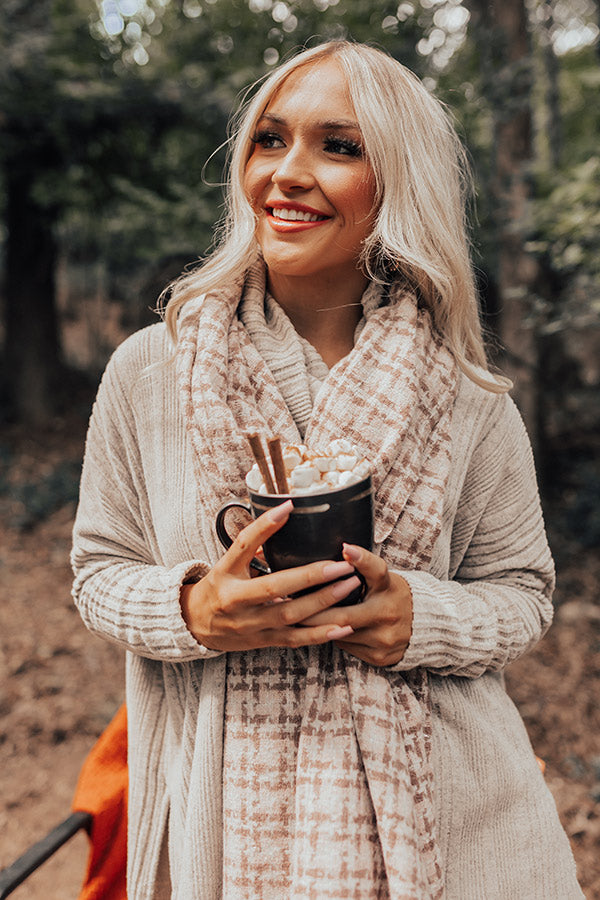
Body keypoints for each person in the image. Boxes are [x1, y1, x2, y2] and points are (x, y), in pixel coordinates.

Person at [71, 40, 583, 899]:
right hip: (220, 821)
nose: (286, 174)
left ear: (398, 180)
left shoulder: (468, 398)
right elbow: (97, 573)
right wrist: (195, 608)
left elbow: (523, 594)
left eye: (338, 147)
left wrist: (418, 616)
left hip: (449, 827)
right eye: (270, 140)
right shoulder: (150, 371)